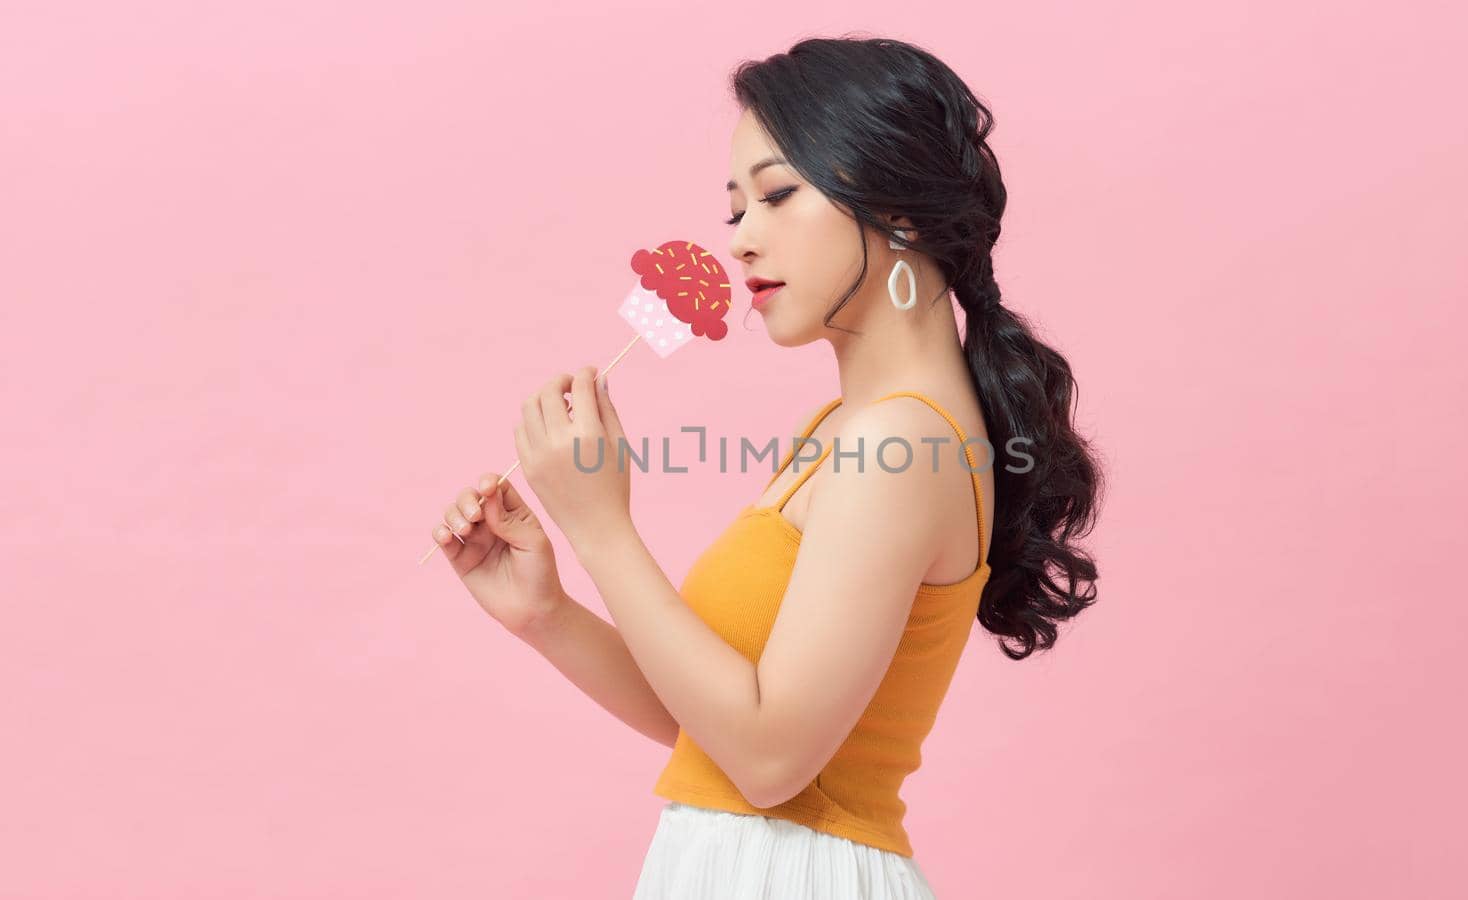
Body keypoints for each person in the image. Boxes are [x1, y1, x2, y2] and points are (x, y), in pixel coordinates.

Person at [427, 35, 1103, 899]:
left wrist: (601, 527)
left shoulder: (898, 446)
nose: (741, 241)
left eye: (778, 195)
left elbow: (770, 759)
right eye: (735, 209)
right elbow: (713, 725)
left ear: (898, 210)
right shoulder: (851, 430)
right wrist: (546, 614)